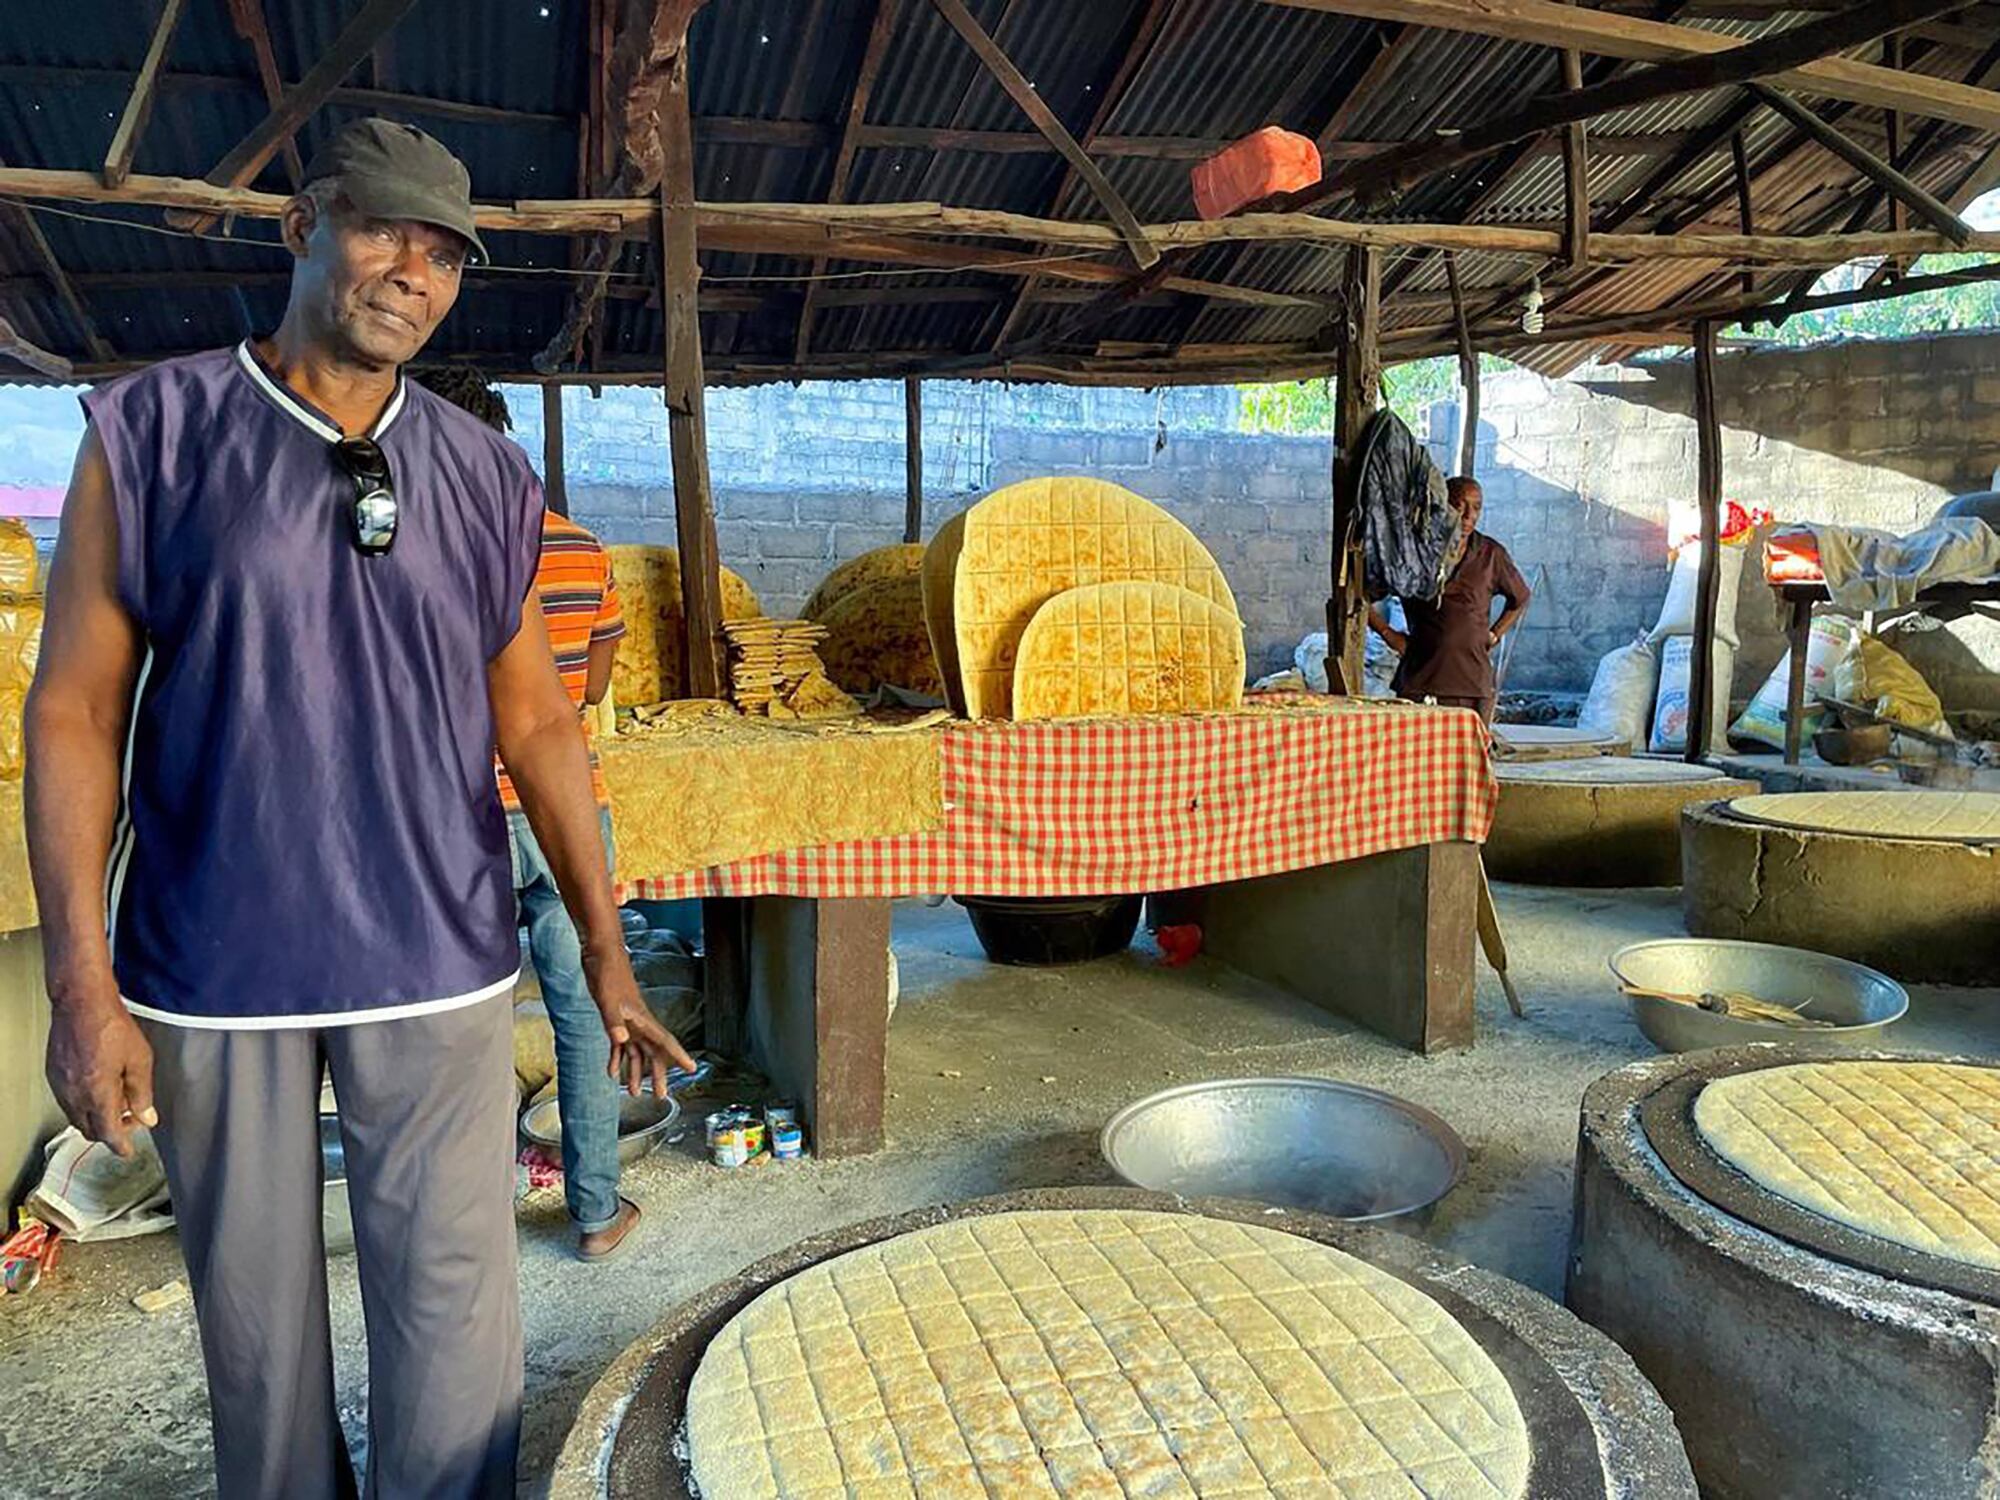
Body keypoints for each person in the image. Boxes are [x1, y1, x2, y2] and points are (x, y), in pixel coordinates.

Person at [26, 119, 693, 1500]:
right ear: (303, 224)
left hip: (433, 955)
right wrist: (82, 994)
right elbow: (74, 712)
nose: (416, 270)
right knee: (259, 1335)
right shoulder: (154, 432)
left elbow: (539, 720)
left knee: (455, 1319)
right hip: (214, 965)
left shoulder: (481, 472)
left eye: (446, 250)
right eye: (387, 228)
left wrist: (608, 952)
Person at [417, 369, 640, 1262]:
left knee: (456, 1024)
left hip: (451, 814)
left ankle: (464, 1224)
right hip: (565, 813)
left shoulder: (409, 551)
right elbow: (587, 687)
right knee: (589, 1010)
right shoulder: (580, 550)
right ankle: (594, 1212)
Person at [1368, 476, 1531, 724]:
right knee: (1417, 757)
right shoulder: (1416, 552)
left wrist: (1494, 634)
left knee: (1470, 758)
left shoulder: (1490, 554)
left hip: (1473, 683)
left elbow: (1520, 597)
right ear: (1441, 505)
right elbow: (1363, 595)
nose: (1468, 516)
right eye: (1459, 505)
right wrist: (1388, 634)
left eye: (1476, 507)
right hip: (1420, 680)